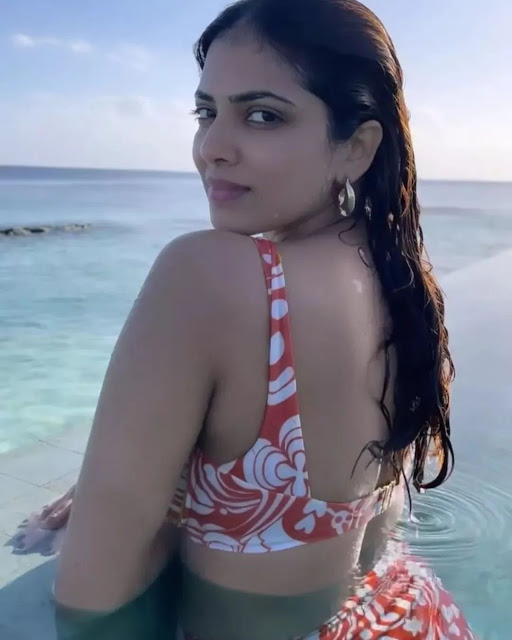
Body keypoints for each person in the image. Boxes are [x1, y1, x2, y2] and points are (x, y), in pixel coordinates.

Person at [15, 0, 477, 637]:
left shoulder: (209, 276)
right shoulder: (397, 277)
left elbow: (90, 597)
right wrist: (150, 478)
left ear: (357, 147)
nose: (212, 149)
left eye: (263, 116)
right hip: (409, 614)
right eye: (206, 113)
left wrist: (118, 504)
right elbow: (370, 515)